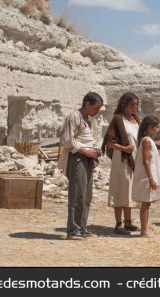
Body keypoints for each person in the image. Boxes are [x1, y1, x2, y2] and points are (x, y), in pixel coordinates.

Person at [59, 91, 104, 240]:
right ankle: (73, 230)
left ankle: (82, 228)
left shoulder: (87, 119)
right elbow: (67, 141)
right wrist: (86, 151)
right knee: (77, 195)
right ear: (87, 104)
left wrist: (94, 151)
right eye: (95, 108)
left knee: (86, 197)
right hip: (77, 159)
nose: (97, 112)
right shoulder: (74, 117)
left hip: (87, 160)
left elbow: (84, 140)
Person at [101, 92, 141, 235]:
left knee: (130, 189)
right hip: (122, 160)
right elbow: (109, 141)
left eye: (136, 104)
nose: (135, 107)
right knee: (120, 189)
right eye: (132, 104)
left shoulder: (136, 119)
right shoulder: (118, 120)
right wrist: (124, 148)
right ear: (124, 104)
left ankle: (128, 222)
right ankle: (118, 224)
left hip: (135, 160)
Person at [132, 115, 160, 238]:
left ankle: (145, 229)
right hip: (147, 177)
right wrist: (151, 178)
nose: (158, 129)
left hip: (149, 176)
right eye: (156, 127)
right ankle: (144, 230)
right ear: (149, 128)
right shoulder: (146, 141)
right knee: (145, 204)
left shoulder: (148, 140)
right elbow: (145, 161)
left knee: (147, 204)